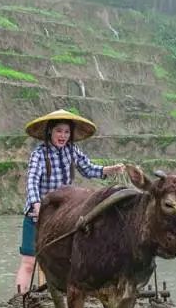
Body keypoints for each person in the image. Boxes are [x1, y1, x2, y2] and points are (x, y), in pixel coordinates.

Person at [15, 109, 125, 294]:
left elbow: (88, 169)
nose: (63, 136)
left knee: (68, 257)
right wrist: (36, 205)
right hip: (39, 213)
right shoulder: (39, 154)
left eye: (66, 132)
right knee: (29, 262)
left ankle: (71, 292)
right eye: (59, 131)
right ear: (50, 131)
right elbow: (32, 181)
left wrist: (110, 170)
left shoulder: (72, 150)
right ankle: (20, 297)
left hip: (63, 213)